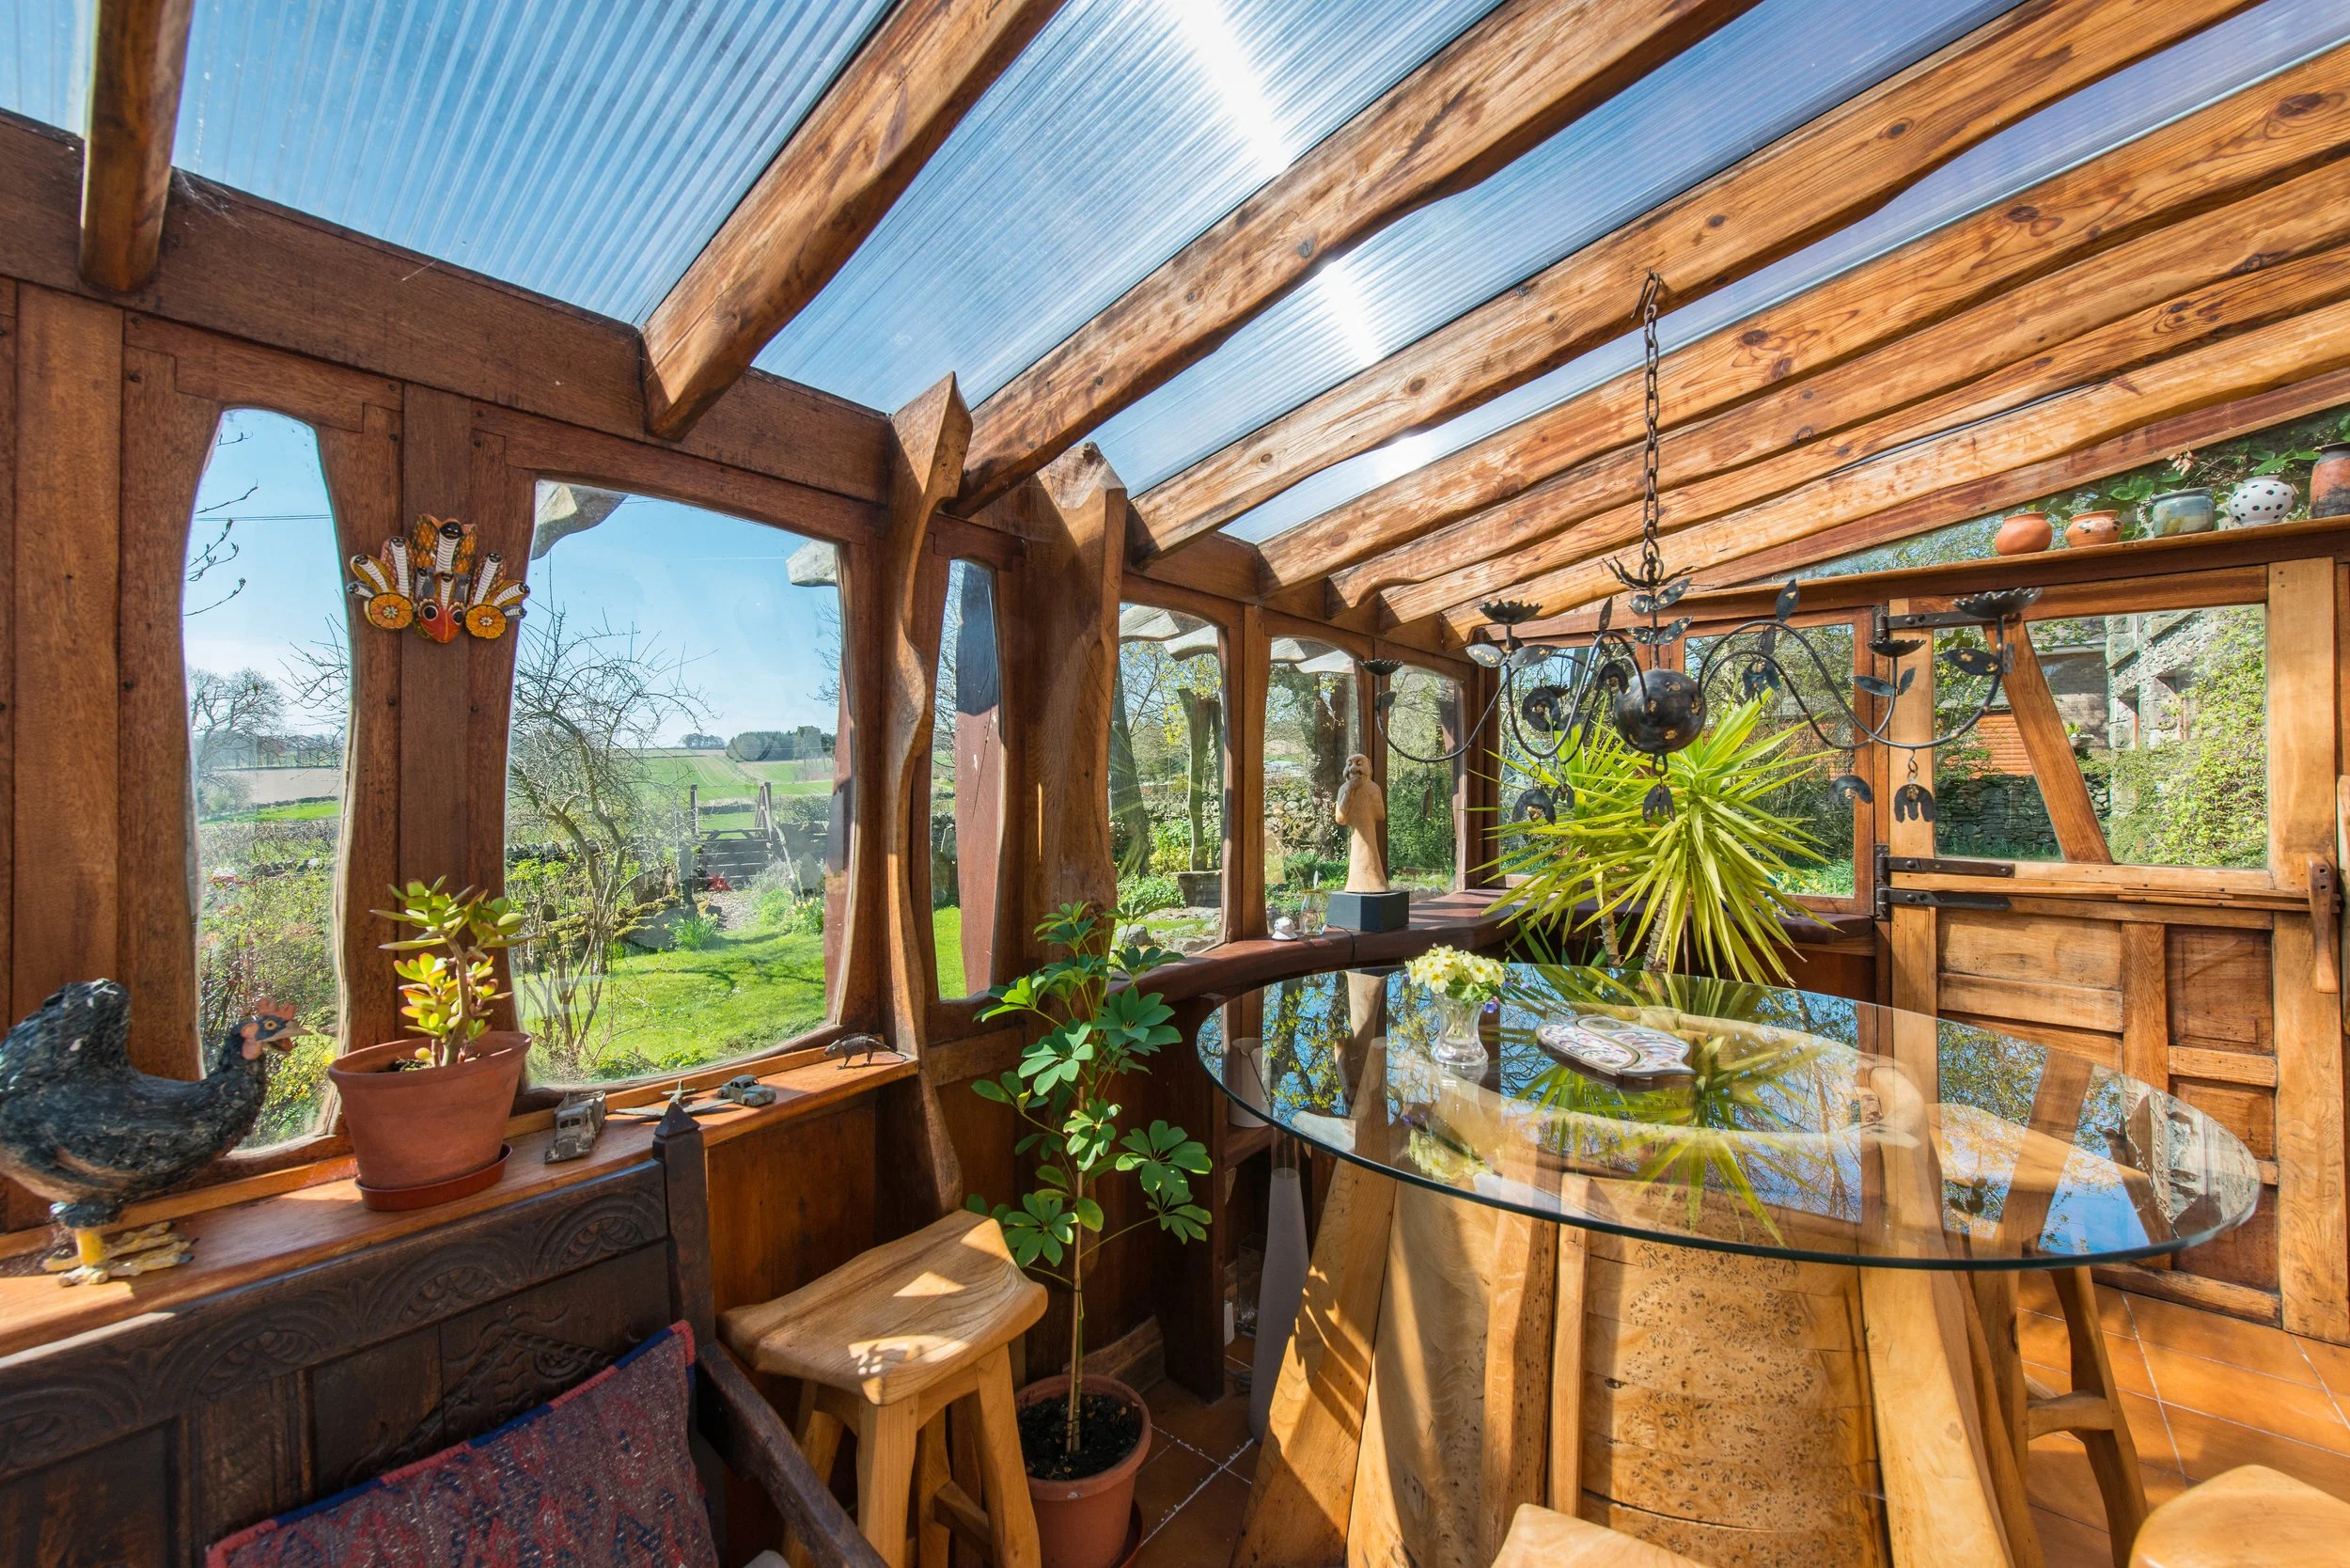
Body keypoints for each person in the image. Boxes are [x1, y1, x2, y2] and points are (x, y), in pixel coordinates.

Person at [1333, 754, 1387, 893]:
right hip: (1356, 835)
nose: (1352, 768)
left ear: (1369, 768)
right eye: (1349, 764)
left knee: (1370, 855)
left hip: (1369, 833)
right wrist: (1349, 791)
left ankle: (1375, 883)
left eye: (1359, 763)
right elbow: (1340, 818)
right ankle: (1356, 884)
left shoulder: (1374, 788)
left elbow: (1380, 815)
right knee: (1357, 857)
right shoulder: (1343, 789)